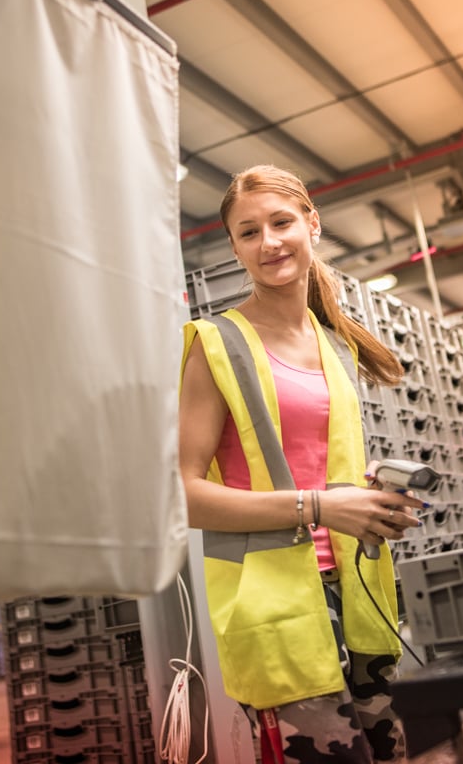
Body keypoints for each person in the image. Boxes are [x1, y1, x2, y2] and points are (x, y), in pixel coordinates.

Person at [178, 164, 426, 763]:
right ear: (235, 247)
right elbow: (180, 494)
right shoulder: (215, 343)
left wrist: (370, 499)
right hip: (278, 607)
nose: (269, 242)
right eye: (249, 232)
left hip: (358, 592)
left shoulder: (333, 342)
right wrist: (319, 507)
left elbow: (319, 465)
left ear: (312, 224)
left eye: (281, 222)